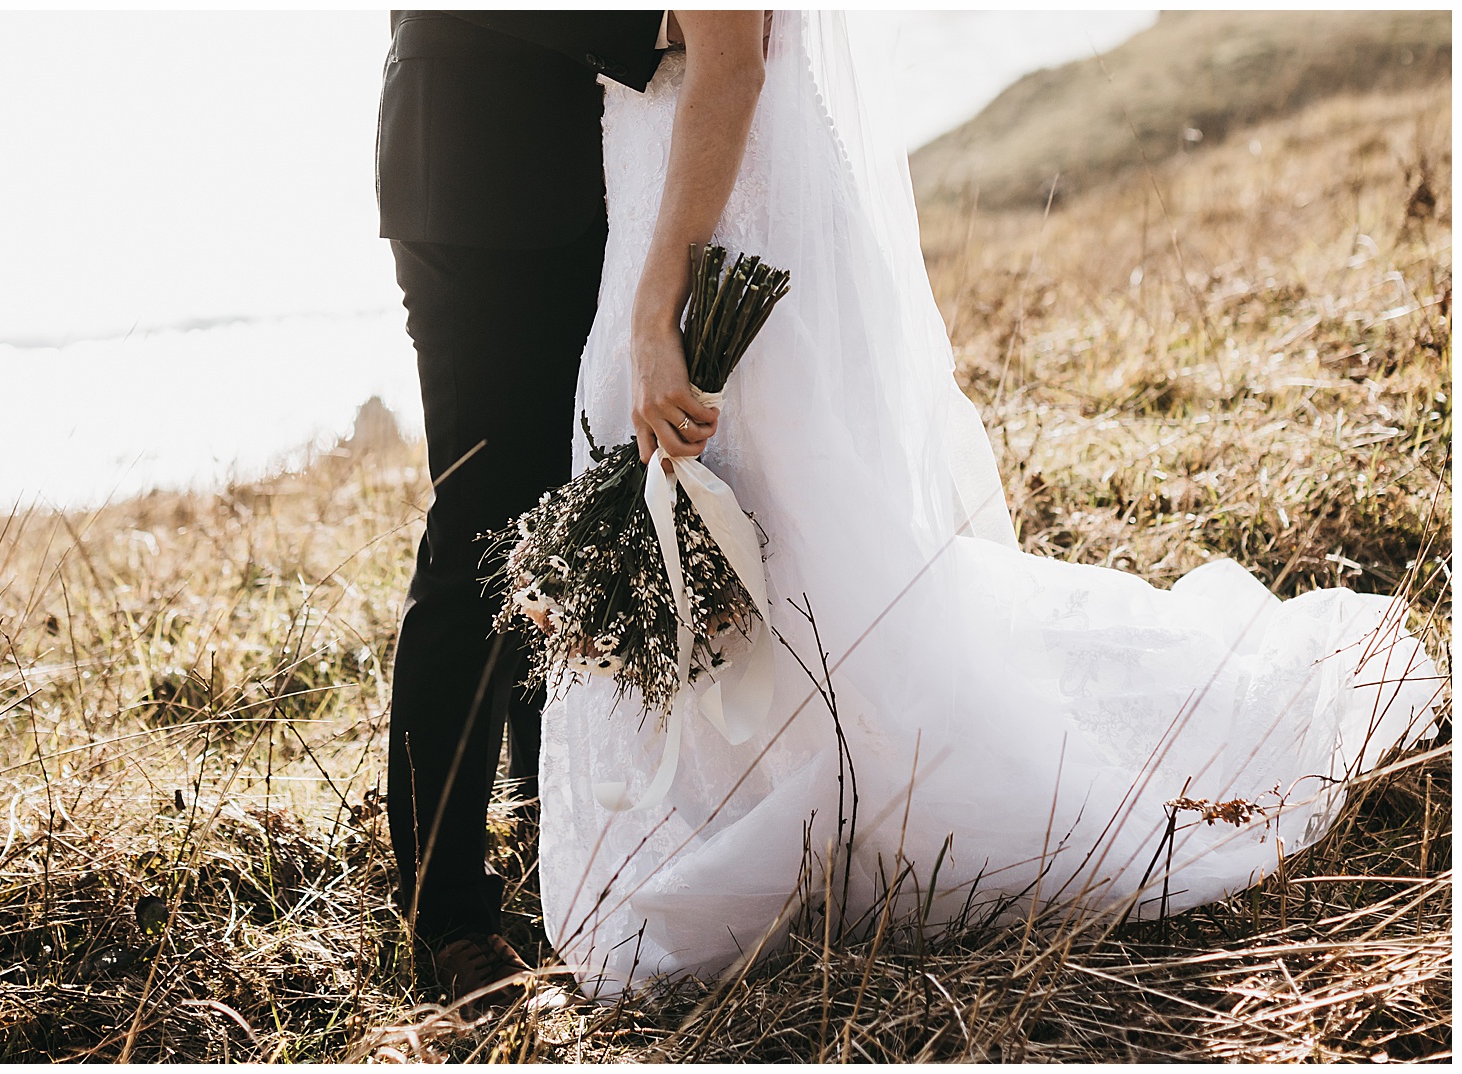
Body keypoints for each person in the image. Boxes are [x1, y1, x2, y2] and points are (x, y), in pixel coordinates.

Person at [537, 10, 1441, 999]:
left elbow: (729, 63)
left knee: (783, 523)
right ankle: (757, 815)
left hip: (712, 220)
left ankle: (837, 815)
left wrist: (657, 307)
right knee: (770, 526)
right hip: (675, 193)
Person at [374, 10, 679, 1005]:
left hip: (582, 187)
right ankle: (448, 920)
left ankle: (548, 828)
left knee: (553, 529)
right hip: (476, 188)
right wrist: (663, 21)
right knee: (478, 542)